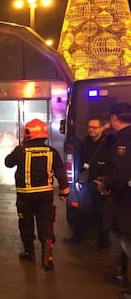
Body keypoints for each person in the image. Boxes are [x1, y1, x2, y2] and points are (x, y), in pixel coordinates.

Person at [4, 119, 69, 271]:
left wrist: (18, 147)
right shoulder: (52, 151)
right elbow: (60, 172)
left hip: (25, 195)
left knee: (26, 223)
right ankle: (47, 255)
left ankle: (29, 252)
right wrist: (64, 190)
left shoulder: (21, 151)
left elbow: (8, 163)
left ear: (27, 134)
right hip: (45, 194)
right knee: (46, 221)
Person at [95, 103, 131, 298]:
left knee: (126, 239)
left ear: (114, 118)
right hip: (124, 198)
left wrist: (105, 184)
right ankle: (119, 274)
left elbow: (121, 174)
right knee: (120, 236)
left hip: (126, 199)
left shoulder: (124, 140)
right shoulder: (117, 138)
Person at [63, 117, 111, 252]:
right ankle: (78, 238)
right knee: (84, 211)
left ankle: (104, 244)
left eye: (95, 127)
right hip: (87, 183)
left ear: (102, 128)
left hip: (102, 184)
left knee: (103, 214)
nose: (91, 129)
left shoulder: (108, 144)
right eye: (89, 127)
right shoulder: (85, 143)